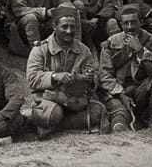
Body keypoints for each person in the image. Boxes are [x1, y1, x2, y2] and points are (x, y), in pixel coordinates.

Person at [24, 10, 103, 138]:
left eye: (72, 27)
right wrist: (54, 76)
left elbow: (93, 75)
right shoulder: (40, 49)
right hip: (48, 98)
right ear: (55, 27)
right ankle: (53, 120)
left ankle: (53, 125)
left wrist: (91, 78)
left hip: (74, 99)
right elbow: (32, 79)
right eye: (64, 27)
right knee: (54, 113)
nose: (69, 31)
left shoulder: (84, 50)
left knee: (97, 113)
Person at [99, 6, 152, 132]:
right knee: (119, 113)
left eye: (134, 22)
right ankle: (124, 120)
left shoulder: (151, 40)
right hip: (118, 91)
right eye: (126, 23)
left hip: (141, 89)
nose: (130, 27)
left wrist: (140, 50)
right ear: (121, 25)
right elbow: (105, 75)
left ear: (141, 22)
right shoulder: (111, 43)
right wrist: (121, 94)